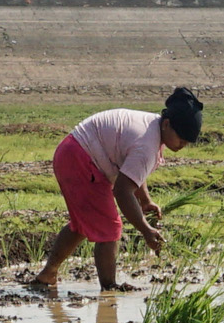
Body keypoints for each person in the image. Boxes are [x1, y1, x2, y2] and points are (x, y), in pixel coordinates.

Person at [31, 88, 203, 293]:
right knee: (110, 229)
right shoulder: (146, 145)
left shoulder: (153, 131)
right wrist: (145, 229)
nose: (182, 145)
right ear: (167, 124)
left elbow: (131, 172)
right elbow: (122, 191)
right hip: (80, 159)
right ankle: (109, 291)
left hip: (73, 152)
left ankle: (47, 274)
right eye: (181, 139)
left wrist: (145, 201)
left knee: (82, 224)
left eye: (187, 142)